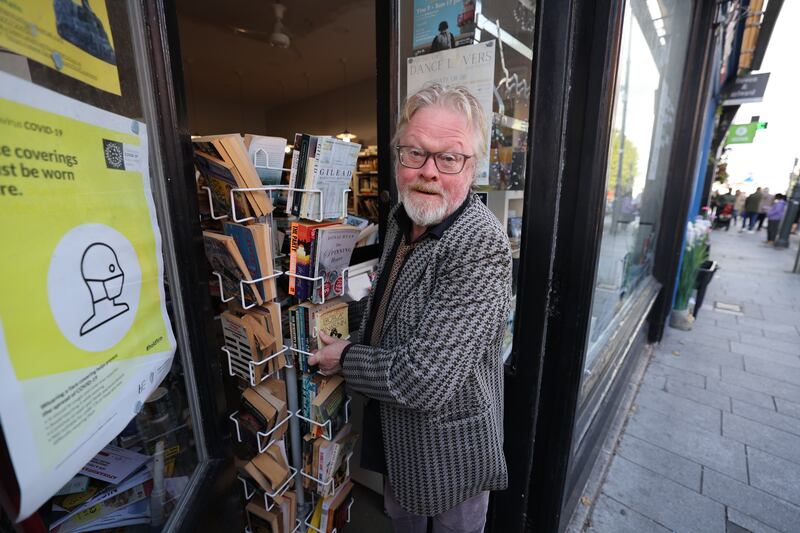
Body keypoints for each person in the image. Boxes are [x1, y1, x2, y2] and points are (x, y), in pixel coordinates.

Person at [309, 84, 512, 533]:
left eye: (449, 157)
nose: (429, 172)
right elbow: (390, 307)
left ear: (472, 167)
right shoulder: (406, 219)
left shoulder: (479, 243)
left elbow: (423, 381)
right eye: (415, 153)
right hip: (399, 439)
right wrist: (339, 318)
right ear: (398, 156)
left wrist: (342, 357)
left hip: (450, 452)